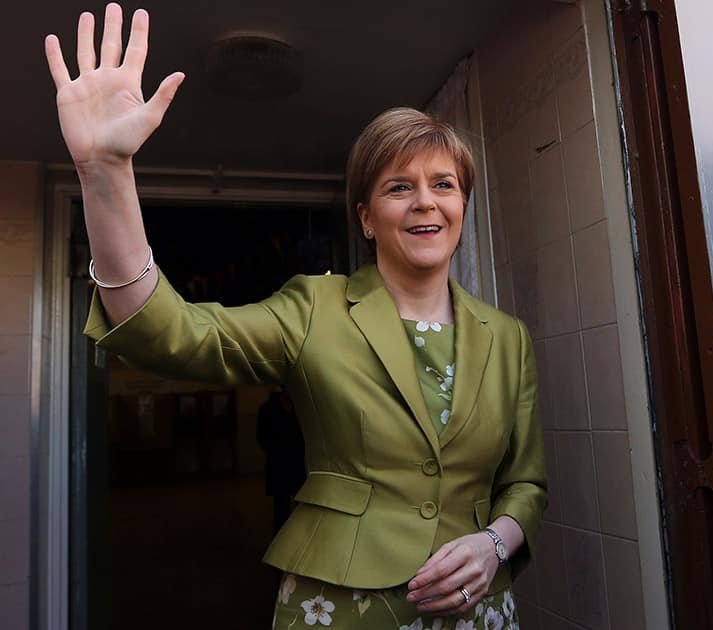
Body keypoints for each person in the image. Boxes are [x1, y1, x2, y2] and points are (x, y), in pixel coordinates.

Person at [45, 4, 546, 629]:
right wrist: (105, 174)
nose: (426, 201)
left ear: (463, 207)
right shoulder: (317, 307)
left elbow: (526, 485)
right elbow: (172, 336)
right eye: (399, 187)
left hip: (479, 606)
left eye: (444, 185)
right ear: (365, 217)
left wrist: (494, 542)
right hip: (340, 606)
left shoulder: (507, 338)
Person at [256, 390, 307, 534]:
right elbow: (262, 436)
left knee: (300, 504)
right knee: (281, 506)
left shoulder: (300, 407)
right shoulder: (268, 409)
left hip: (297, 462)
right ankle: (281, 538)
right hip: (279, 463)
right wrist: (275, 451)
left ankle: (299, 537)